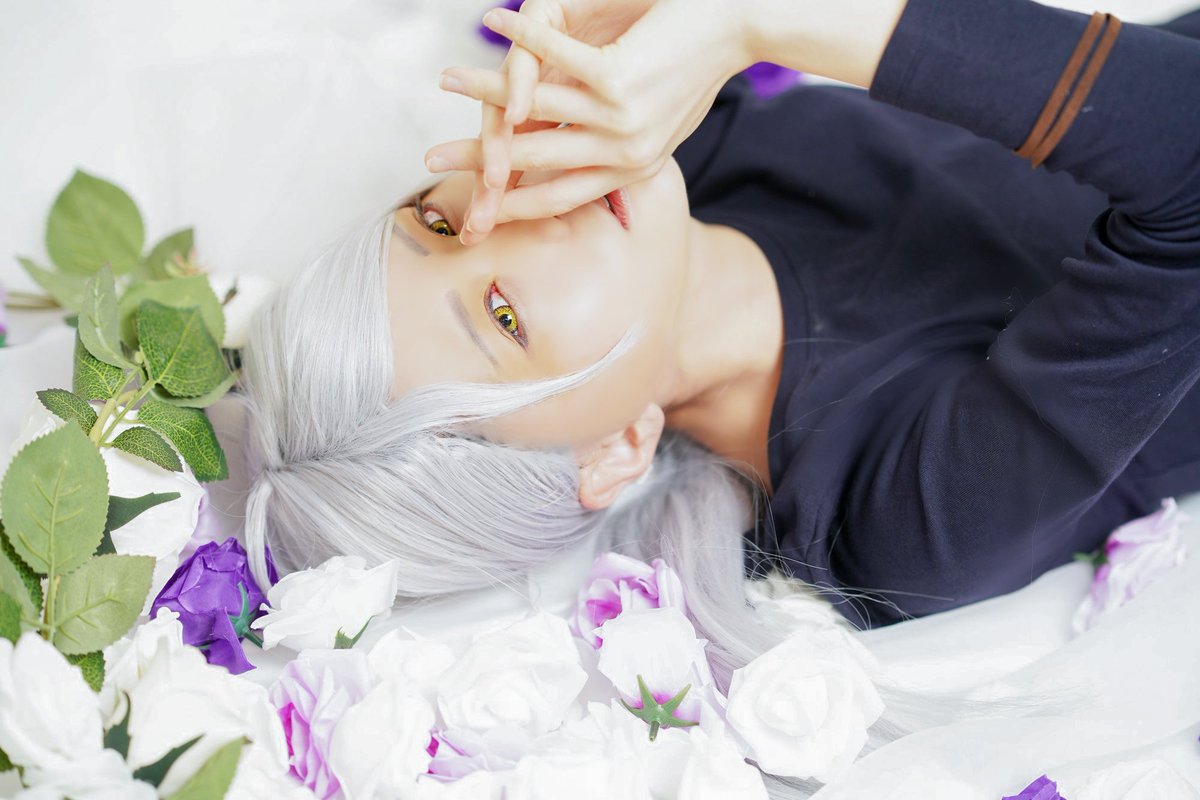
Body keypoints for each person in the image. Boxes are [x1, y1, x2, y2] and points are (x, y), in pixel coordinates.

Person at [238, 0, 1200, 712]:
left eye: (438, 223)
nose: (505, 213)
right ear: (611, 452)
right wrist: (753, 18)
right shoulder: (905, 517)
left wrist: (617, 27)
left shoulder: (695, 171)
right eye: (501, 314)